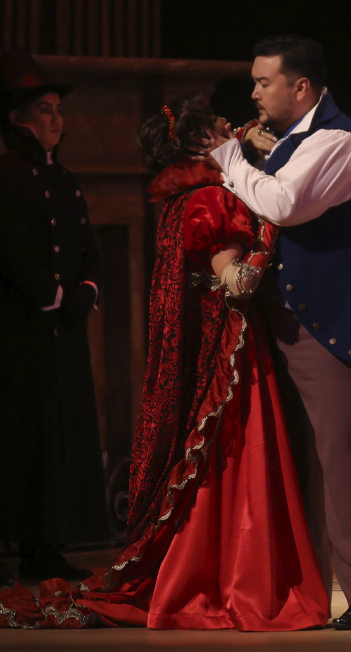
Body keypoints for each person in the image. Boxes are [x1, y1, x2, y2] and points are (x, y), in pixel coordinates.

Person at [0, 94, 329, 631]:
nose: (235, 125)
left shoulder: (186, 198)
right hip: (231, 361)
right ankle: (235, 579)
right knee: (232, 464)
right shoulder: (210, 201)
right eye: (223, 124)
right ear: (202, 142)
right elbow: (237, 282)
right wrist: (272, 225)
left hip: (220, 352)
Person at [207, 35, 351, 630]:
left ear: (300, 87)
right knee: (298, 467)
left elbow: (283, 203)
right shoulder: (289, 141)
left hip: (335, 325)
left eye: (262, 81)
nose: (253, 92)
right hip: (284, 323)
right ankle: (306, 593)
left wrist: (227, 157)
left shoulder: (338, 140)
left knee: (346, 464)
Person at [0, 47, 108, 586]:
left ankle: (46, 549)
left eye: (58, 110)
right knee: (21, 435)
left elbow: (88, 248)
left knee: (59, 436)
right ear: (17, 117)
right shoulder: (7, 174)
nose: (56, 119)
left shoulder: (65, 179)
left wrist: (86, 290)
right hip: (20, 331)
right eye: (45, 109)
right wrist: (56, 296)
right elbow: (10, 253)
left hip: (62, 331)